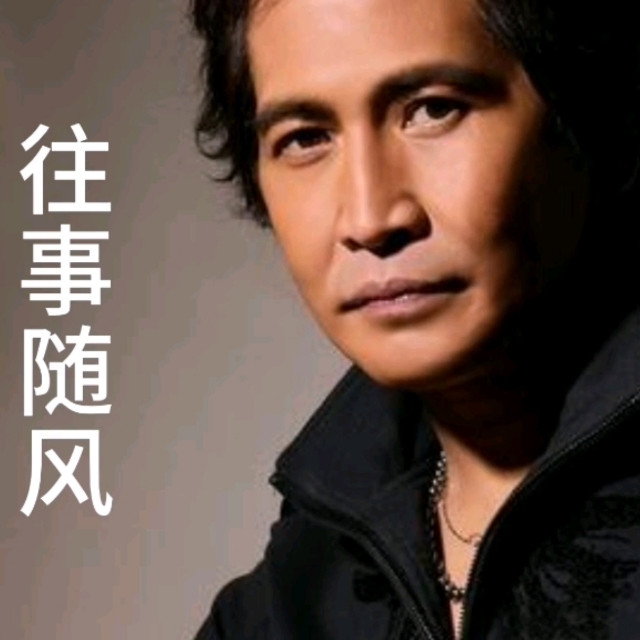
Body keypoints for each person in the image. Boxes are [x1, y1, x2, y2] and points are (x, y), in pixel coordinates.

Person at [189, 0, 640, 638]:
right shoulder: (287, 603)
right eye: (306, 139)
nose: (371, 217)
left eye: (433, 109)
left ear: (586, 113)